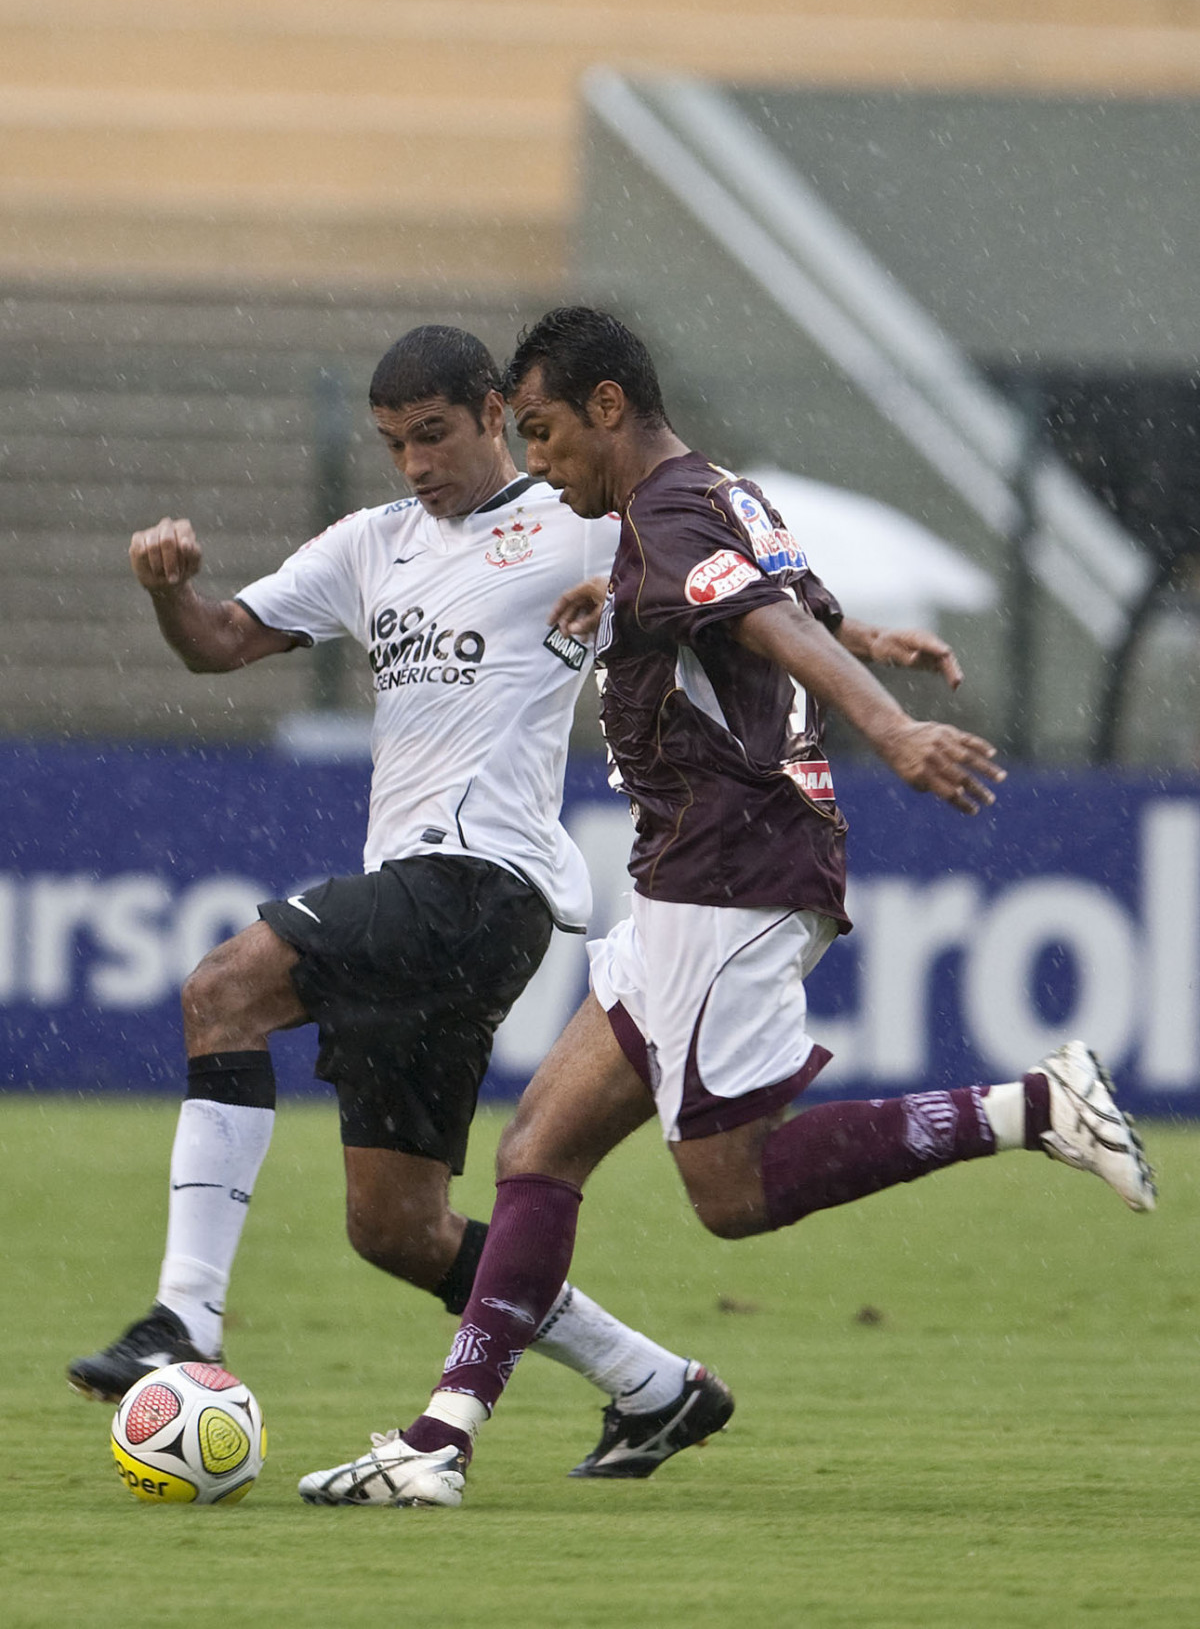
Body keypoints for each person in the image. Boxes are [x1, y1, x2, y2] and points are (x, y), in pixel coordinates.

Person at [298, 306, 1156, 1510]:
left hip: (729, 868)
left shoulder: (670, 512)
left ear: (607, 406)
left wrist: (888, 723)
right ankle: (439, 1440)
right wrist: (672, 611)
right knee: (539, 1148)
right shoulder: (708, 495)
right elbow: (775, 592)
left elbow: (766, 616)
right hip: (689, 874)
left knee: (730, 1193)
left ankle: (1031, 1105)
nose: (537, 462)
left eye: (543, 430)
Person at [68, 323, 735, 1481]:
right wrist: (172, 594)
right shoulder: (371, 544)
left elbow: (719, 559)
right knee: (396, 1228)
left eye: (433, 434)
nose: (415, 464)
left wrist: (845, 638)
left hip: (485, 881)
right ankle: (656, 1383)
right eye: (392, 444)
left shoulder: (576, 519)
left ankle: (185, 1317)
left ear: (493, 411)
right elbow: (223, 642)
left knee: (221, 991)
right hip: (424, 897)